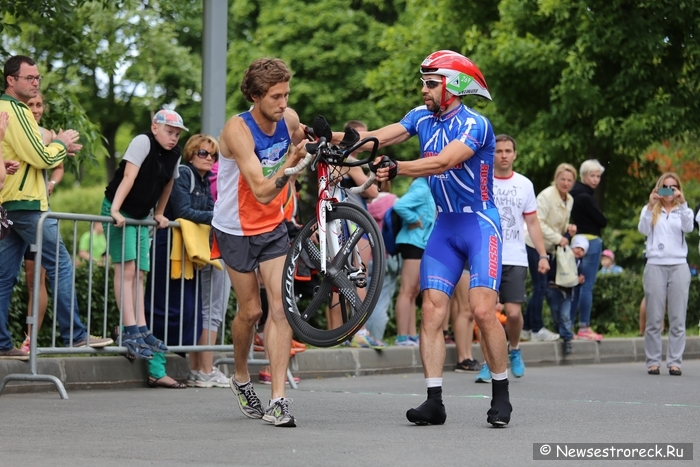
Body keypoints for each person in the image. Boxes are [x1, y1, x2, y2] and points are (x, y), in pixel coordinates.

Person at [369, 50, 512, 427]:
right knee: (431, 310)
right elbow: (379, 138)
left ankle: (501, 393)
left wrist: (398, 168)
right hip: (445, 227)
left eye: (431, 83)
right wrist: (337, 139)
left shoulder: (475, 124)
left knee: (482, 310)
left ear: (455, 86)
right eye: (423, 83)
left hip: (480, 224)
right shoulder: (421, 118)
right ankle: (434, 401)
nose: (423, 90)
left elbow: (445, 161)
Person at [213, 57, 308, 427]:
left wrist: (345, 140)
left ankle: (279, 400)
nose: (283, 103)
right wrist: (290, 166)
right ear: (255, 95)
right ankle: (240, 377)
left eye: (286, 94)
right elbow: (263, 190)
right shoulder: (238, 130)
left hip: (272, 228)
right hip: (234, 227)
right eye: (275, 96)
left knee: (280, 308)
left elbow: (307, 138)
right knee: (250, 312)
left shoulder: (288, 118)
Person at [0, 55, 112, 360]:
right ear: (11, 80)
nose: (36, 83)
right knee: (61, 264)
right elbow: (42, 157)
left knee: (4, 275)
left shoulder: (4, 109)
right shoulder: (17, 110)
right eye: (29, 78)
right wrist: (60, 143)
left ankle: (1, 343)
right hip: (28, 205)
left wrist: (56, 145)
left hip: (8, 203)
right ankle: (74, 335)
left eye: (38, 78)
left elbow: (31, 152)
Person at [102, 109, 187, 360]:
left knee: (139, 272)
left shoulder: (175, 154)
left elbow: (168, 184)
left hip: (141, 215)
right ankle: (129, 329)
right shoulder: (142, 142)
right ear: (155, 128)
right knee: (126, 269)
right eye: (169, 132)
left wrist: (159, 212)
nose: (173, 138)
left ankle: (141, 328)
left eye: (177, 134)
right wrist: (116, 210)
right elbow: (129, 175)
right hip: (121, 209)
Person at [143, 133, 225, 389]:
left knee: (187, 311)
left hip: (186, 253)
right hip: (169, 248)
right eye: (203, 153)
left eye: (213, 155)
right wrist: (216, 216)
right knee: (163, 307)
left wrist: (214, 215)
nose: (209, 158)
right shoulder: (185, 175)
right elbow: (183, 212)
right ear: (190, 154)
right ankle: (155, 367)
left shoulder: (202, 180)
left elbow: (204, 210)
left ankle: (167, 365)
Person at [475, 134, 550, 382]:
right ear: (492, 154)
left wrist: (542, 255)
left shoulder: (525, 184)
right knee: (487, 313)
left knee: (514, 314)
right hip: (486, 254)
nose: (504, 155)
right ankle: (489, 362)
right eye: (498, 151)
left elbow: (532, 222)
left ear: (515, 155)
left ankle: (514, 350)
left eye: (508, 151)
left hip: (515, 256)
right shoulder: (482, 180)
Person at [326, 120, 384, 348]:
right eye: (359, 137)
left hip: (336, 226)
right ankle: (358, 330)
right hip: (352, 227)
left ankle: (336, 334)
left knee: (334, 279)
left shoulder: (333, 158)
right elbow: (371, 190)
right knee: (359, 278)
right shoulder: (350, 159)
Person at [20, 92, 66, 354]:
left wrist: (52, 183)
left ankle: (29, 341)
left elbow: (57, 166)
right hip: (14, 209)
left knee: (35, 278)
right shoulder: (13, 130)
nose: (36, 109)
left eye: (39, 105)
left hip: (37, 212)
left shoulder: (48, 135)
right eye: (30, 104)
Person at [637, 172, 693, 376]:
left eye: (673, 187)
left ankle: (675, 361)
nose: (668, 191)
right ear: (658, 188)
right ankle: (653, 361)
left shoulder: (682, 211)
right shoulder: (651, 210)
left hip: (678, 265)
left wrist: (683, 203)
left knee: (678, 316)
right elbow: (643, 230)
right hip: (655, 265)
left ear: (677, 189)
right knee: (654, 316)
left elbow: (688, 227)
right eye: (665, 187)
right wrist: (651, 206)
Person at [522, 163, 578, 342]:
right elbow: (537, 222)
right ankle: (536, 328)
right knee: (540, 285)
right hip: (534, 243)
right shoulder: (546, 196)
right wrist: (557, 238)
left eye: (569, 180)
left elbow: (559, 224)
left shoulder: (569, 199)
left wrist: (567, 230)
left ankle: (526, 327)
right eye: (562, 179)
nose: (566, 183)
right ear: (556, 179)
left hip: (550, 247)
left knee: (542, 286)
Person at [393, 177, 436, 346]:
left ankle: (411, 335)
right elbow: (400, 205)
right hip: (413, 242)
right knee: (407, 290)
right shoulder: (422, 187)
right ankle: (402, 336)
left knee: (413, 291)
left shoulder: (428, 186)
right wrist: (414, 220)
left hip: (420, 242)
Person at [569, 159, 607, 341]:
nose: (596, 179)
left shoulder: (571, 194)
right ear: (584, 176)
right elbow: (602, 221)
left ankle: (568, 325)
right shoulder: (586, 197)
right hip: (591, 241)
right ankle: (584, 326)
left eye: (598, 176)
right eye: (592, 175)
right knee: (587, 287)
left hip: (576, 241)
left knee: (575, 284)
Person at [365, 183, 399, 342]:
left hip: (363, 258)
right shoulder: (393, 201)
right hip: (383, 258)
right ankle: (376, 339)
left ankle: (362, 336)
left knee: (363, 301)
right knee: (380, 303)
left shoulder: (362, 202)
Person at [547, 235, 589, 355]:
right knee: (555, 314)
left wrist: (580, 281)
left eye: (582, 250)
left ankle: (566, 338)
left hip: (568, 292)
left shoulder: (580, 264)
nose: (579, 251)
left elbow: (579, 279)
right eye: (577, 248)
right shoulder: (561, 255)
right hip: (554, 289)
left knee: (565, 315)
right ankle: (559, 331)